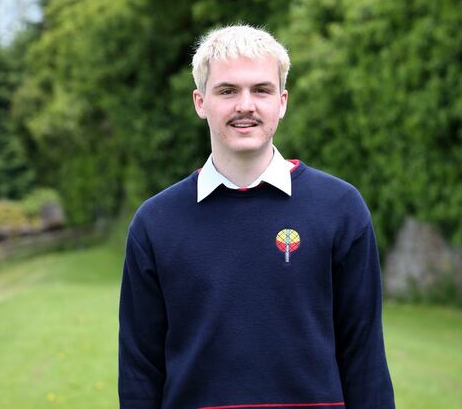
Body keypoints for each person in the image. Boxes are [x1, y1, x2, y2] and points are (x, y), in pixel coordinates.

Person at [119, 25, 395, 409]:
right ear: (200, 102)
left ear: (282, 102)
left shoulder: (340, 208)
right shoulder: (156, 222)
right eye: (227, 90)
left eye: (261, 90)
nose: (245, 105)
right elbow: (139, 368)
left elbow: (364, 355)